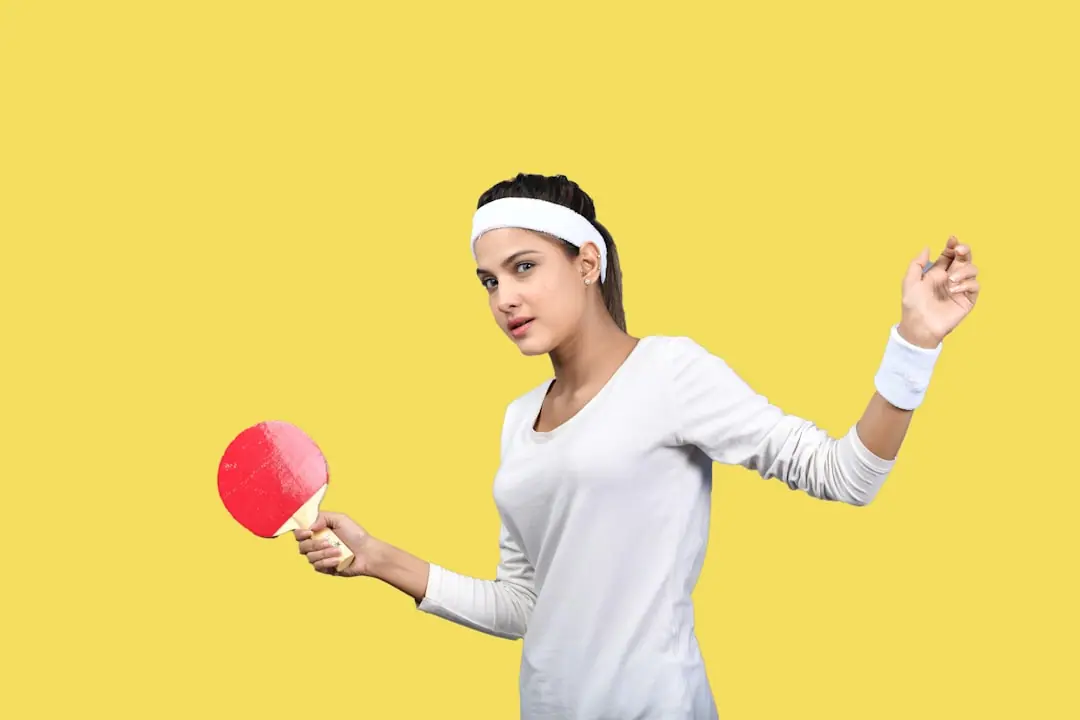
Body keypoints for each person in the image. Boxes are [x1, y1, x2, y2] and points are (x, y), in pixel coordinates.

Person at [294, 173, 981, 718]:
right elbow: (526, 605)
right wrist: (378, 558)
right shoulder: (517, 420)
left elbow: (844, 475)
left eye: (524, 267)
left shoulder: (669, 373)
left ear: (586, 261)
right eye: (490, 281)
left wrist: (914, 343)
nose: (504, 298)